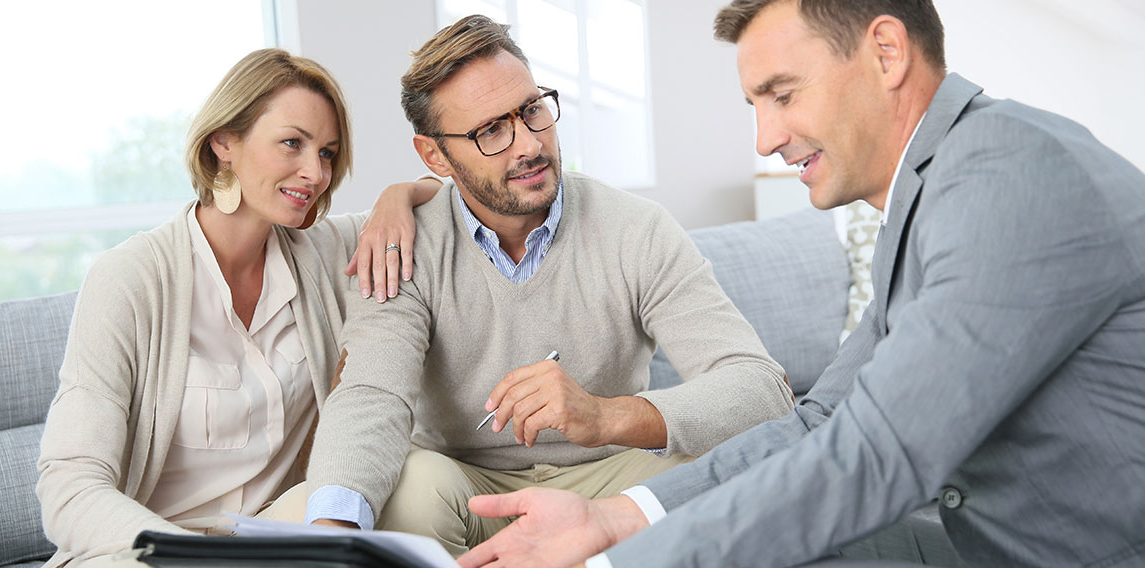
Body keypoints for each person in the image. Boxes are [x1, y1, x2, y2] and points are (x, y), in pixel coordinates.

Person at [457, 0, 1145, 566]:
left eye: (781, 95)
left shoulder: (1011, 176)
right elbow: (823, 420)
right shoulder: (930, 194)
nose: (764, 138)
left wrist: (615, 567)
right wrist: (614, 520)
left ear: (886, 53)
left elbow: (882, 451)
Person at [303, 14, 795, 556]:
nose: (529, 145)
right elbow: (373, 395)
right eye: (490, 130)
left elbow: (760, 387)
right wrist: (332, 539)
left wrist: (608, 415)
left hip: (609, 478)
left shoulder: (636, 228)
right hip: (468, 489)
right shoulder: (403, 245)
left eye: (533, 110)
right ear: (434, 156)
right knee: (409, 489)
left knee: (721, 468)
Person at [35, 48, 438, 567]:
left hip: (269, 542)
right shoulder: (130, 278)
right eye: (292, 143)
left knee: (413, 485)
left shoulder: (323, 251)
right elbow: (70, 486)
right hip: (145, 552)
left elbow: (442, 197)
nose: (314, 173)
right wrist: (191, 557)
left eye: (327, 153)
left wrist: (395, 197)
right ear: (224, 141)